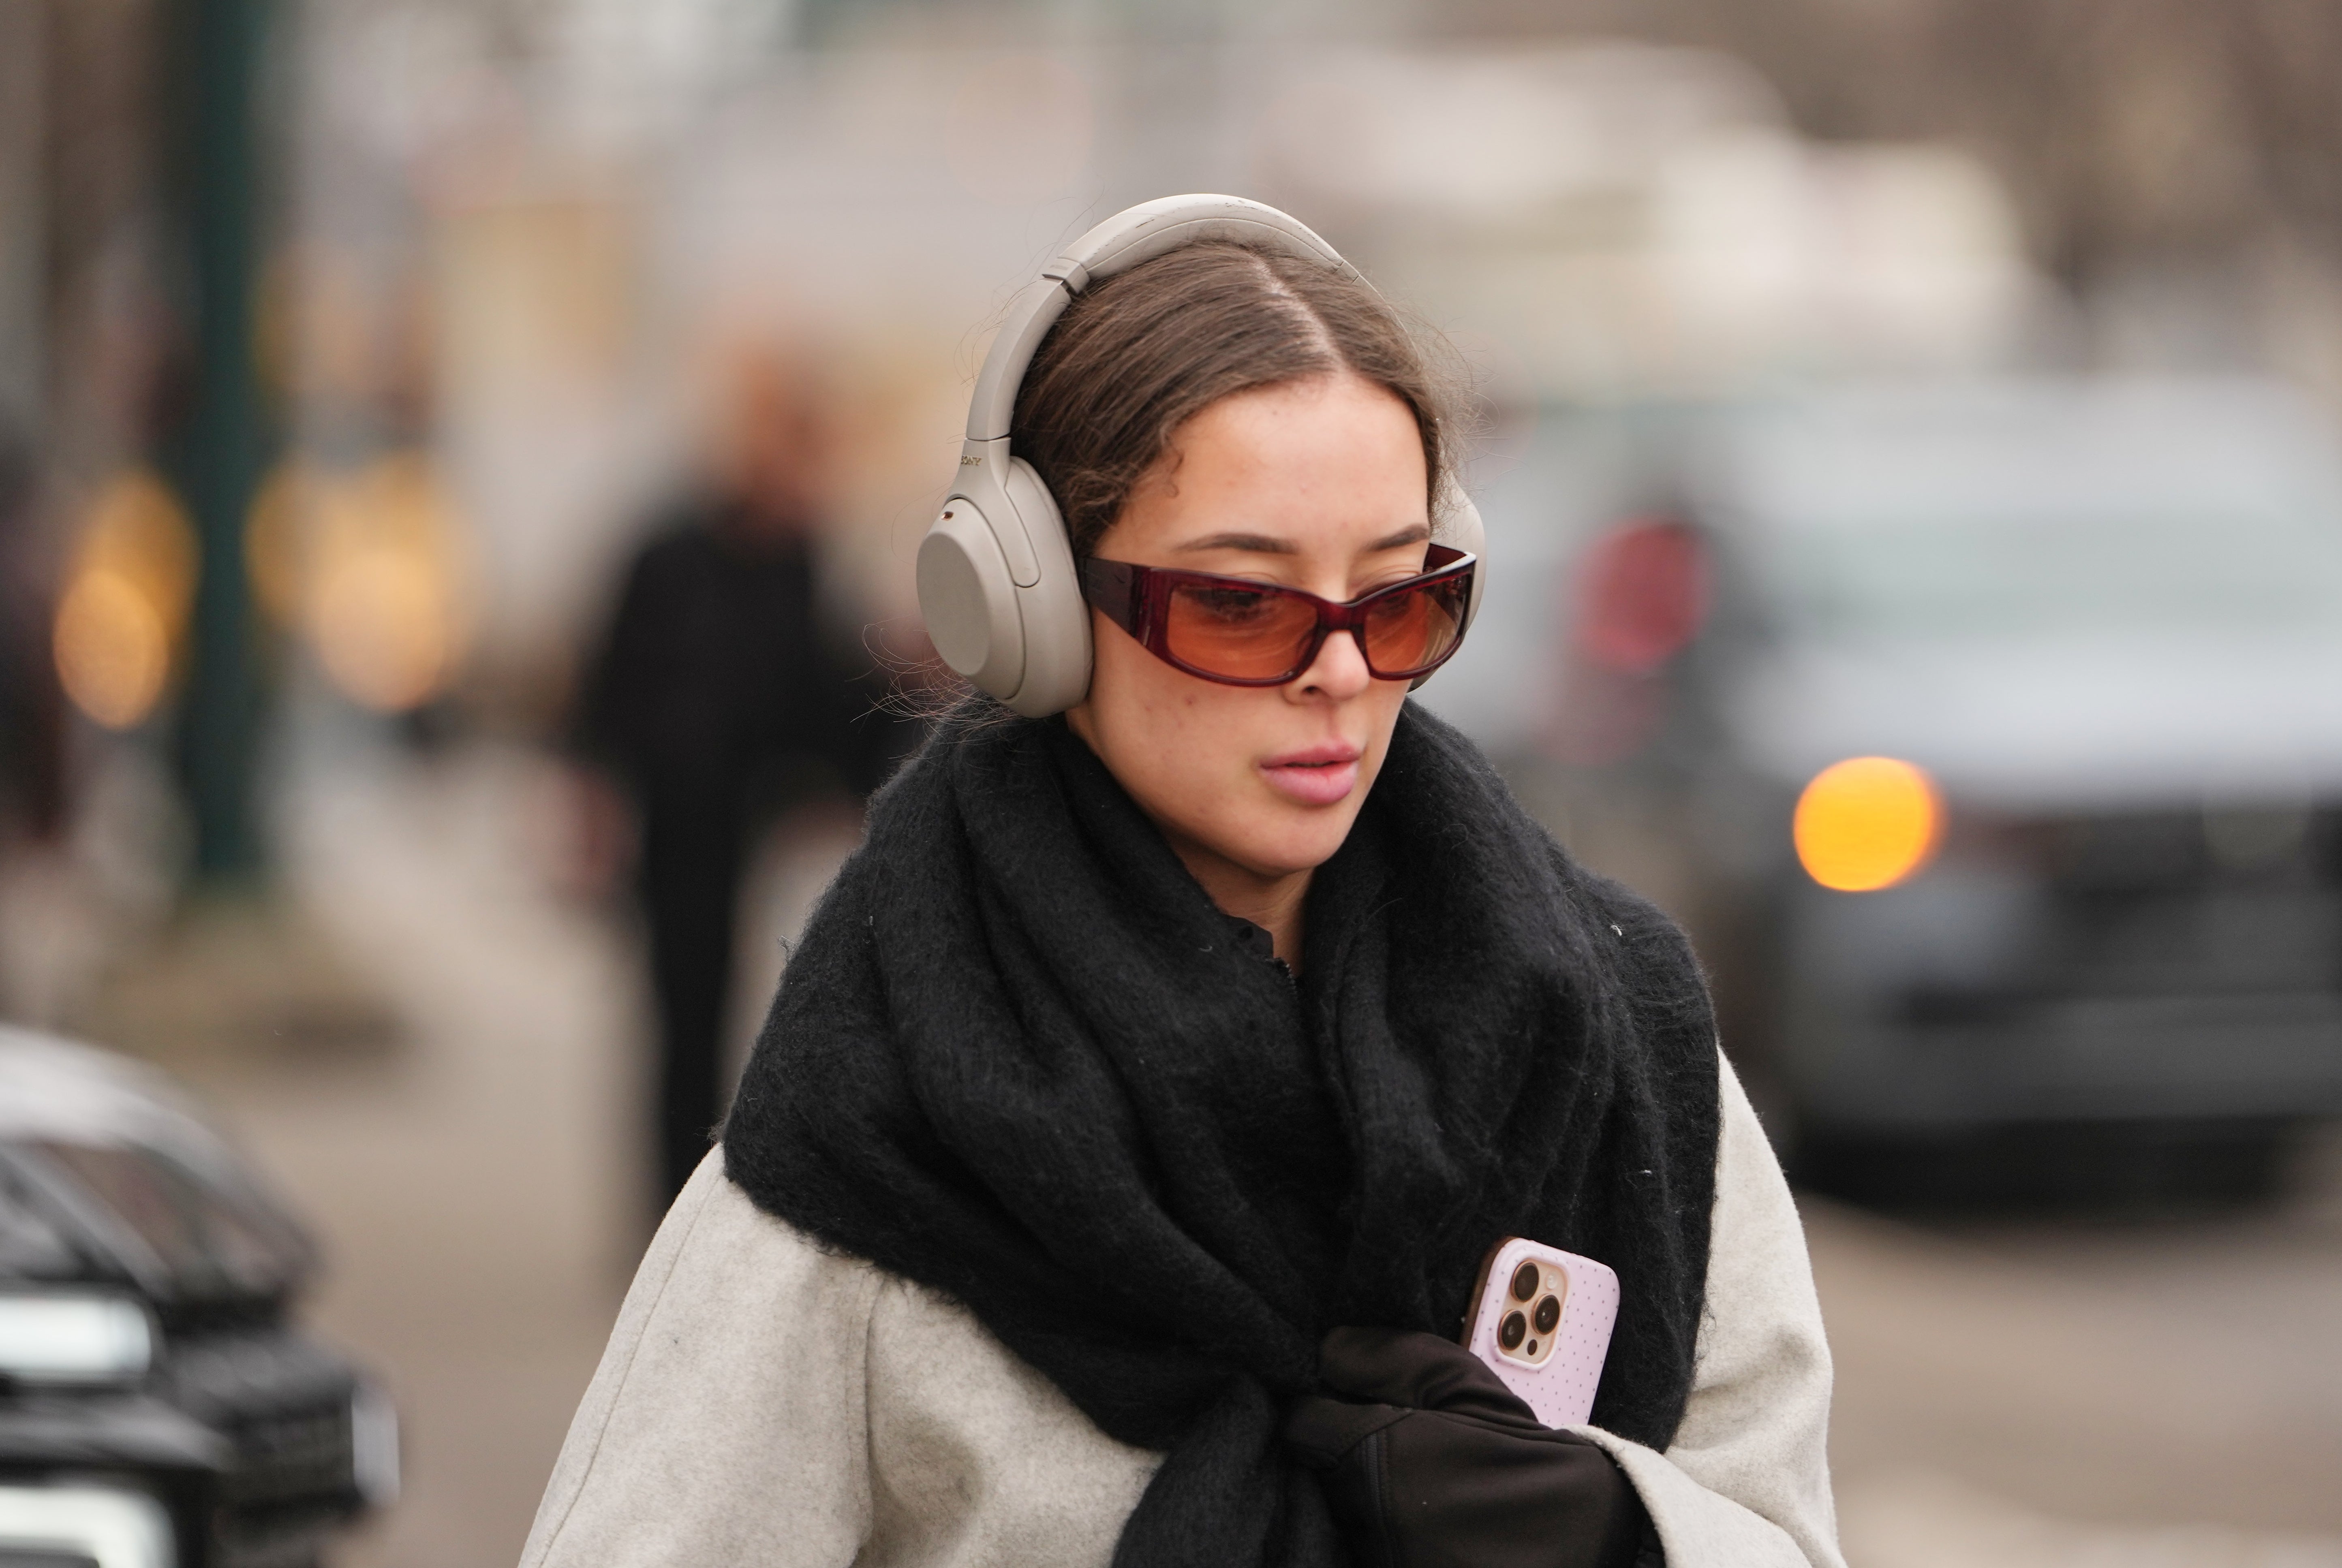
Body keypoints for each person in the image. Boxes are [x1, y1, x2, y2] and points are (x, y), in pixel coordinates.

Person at [524, 200, 1842, 1568]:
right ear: (1029, 607)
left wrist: (1619, 1536)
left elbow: (1785, 1532)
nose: (1338, 671)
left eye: (1395, 597)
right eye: (1240, 602)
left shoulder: (1616, 1032)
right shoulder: (873, 1126)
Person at [572, 352, 900, 1216]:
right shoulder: (670, 552)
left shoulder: (801, 561)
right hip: (673, 817)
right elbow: (608, 693)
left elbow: (830, 696)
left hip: (752, 817)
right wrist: (592, 805)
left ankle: (720, 1190)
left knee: (756, 1019)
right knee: (682, 1013)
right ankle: (668, 1201)